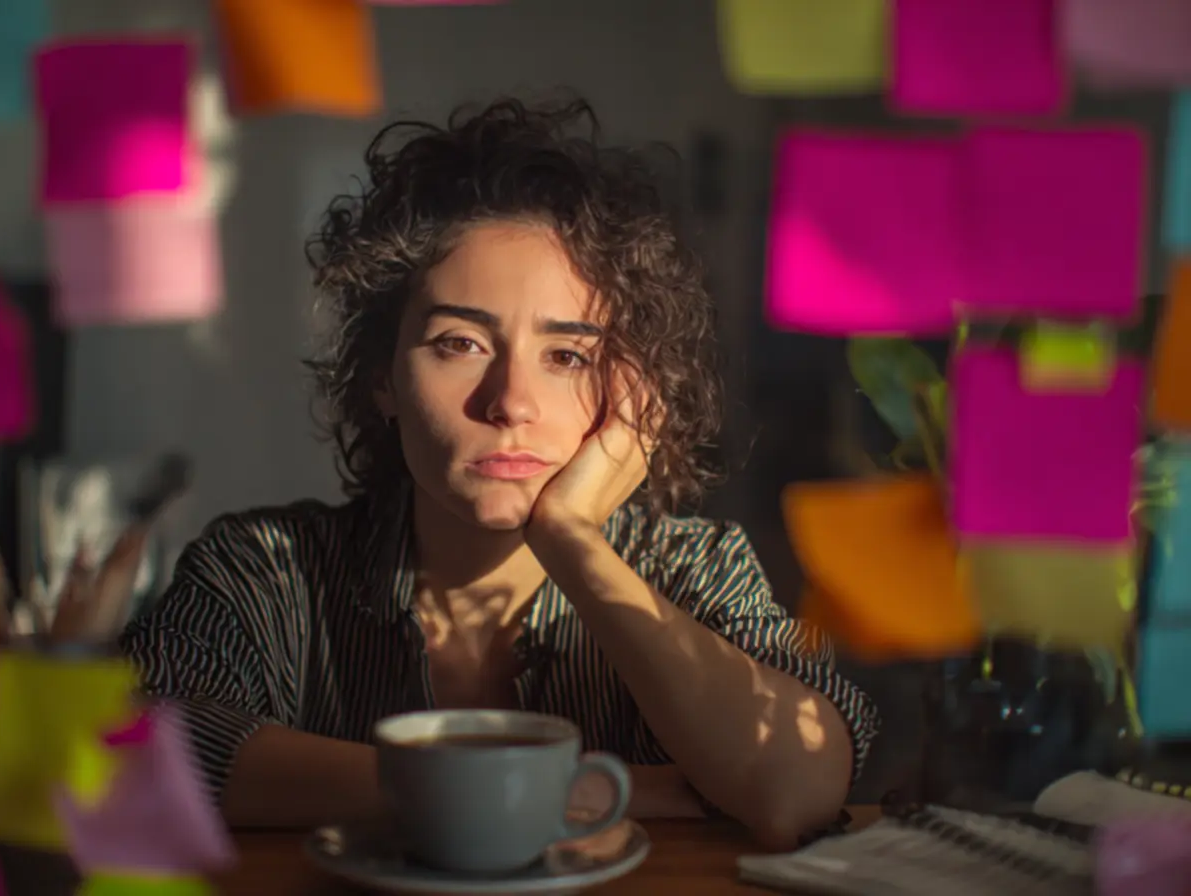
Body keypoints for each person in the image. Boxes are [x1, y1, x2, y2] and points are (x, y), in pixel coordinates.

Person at [120, 97, 878, 847]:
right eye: (460, 343)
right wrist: (559, 791)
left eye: (567, 357)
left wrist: (574, 542)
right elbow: (134, 756)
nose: (511, 402)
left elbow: (799, 790)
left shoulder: (696, 568)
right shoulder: (266, 572)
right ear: (383, 376)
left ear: (631, 396)